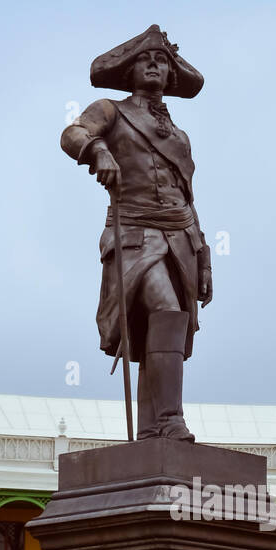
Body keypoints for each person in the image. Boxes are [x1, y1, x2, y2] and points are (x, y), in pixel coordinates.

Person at [60, 25, 212, 441]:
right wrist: (98, 149)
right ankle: (171, 419)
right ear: (129, 72)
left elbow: (187, 196)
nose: (153, 65)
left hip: (180, 236)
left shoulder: (179, 136)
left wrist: (204, 254)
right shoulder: (111, 110)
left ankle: (150, 432)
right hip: (134, 233)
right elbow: (72, 133)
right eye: (145, 59)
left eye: (161, 60)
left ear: (170, 75)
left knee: (163, 334)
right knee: (164, 310)